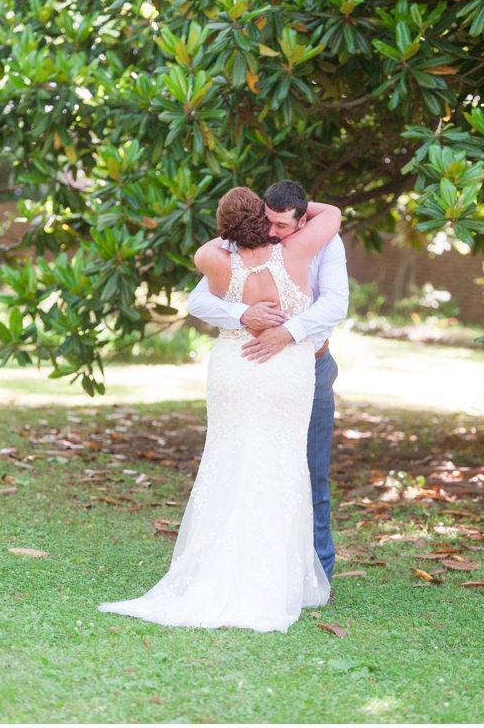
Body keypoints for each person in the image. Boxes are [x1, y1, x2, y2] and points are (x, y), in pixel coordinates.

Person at [99, 187, 341, 633]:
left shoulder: (211, 256)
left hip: (237, 364)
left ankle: (220, 571)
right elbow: (335, 212)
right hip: (284, 369)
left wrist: (232, 242)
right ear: (266, 218)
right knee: (283, 466)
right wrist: (301, 216)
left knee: (229, 463)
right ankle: (275, 579)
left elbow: (206, 283)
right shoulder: (298, 247)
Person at [186, 180, 349, 587]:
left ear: (302, 217)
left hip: (309, 365)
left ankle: (316, 574)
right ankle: (246, 571)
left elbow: (336, 304)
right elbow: (198, 301)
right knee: (246, 465)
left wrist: (287, 331)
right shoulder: (253, 248)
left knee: (310, 474)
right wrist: (243, 314)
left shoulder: (322, 243)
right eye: (266, 221)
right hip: (249, 369)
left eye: (281, 224)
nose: (272, 232)